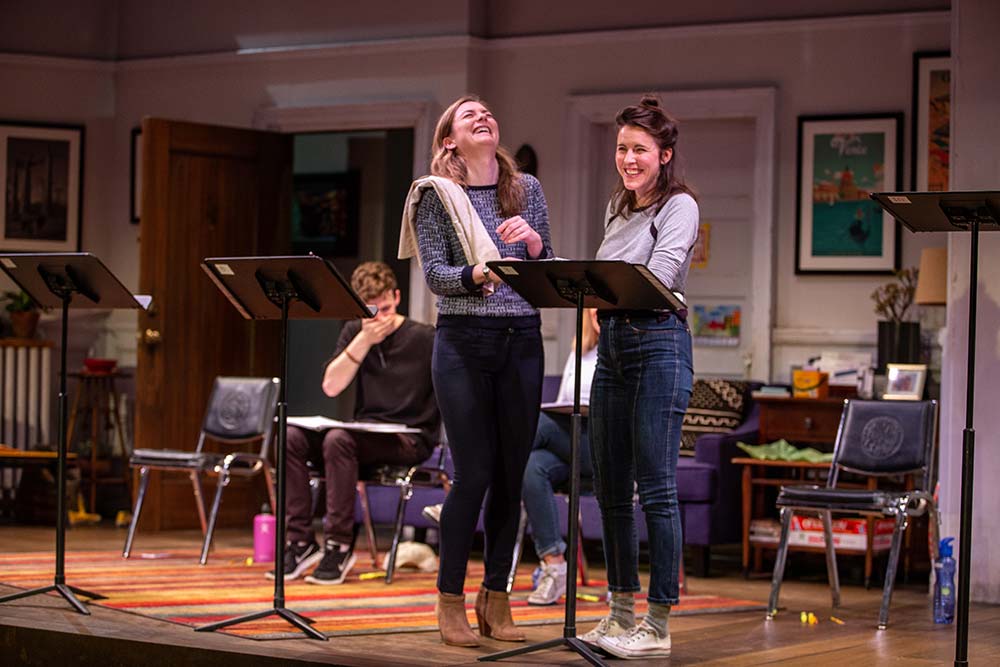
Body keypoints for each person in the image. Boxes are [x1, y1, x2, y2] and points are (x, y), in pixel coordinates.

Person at [399, 94, 552, 647]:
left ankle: (498, 598)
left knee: (513, 475)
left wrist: (532, 244)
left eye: (487, 111)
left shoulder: (526, 189)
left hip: (522, 340)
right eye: (470, 116)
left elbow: (545, 268)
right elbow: (436, 275)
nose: (483, 117)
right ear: (449, 141)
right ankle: (449, 600)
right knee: (474, 474)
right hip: (463, 342)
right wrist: (478, 273)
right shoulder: (436, 195)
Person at [581, 95, 698, 660]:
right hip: (614, 348)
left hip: (658, 344)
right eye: (622, 149)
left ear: (664, 154)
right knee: (609, 489)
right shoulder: (618, 208)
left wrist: (603, 286)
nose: (628, 159)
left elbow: (658, 276)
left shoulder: (679, 206)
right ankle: (620, 611)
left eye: (640, 150)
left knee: (656, 488)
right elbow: (608, 277)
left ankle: (658, 622)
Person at [273, 261, 440, 586]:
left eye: (386, 308)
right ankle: (301, 542)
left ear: (397, 296)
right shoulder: (355, 332)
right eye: (370, 311)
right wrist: (363, 341)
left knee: (338, 439)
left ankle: (339, 545)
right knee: (290, 436)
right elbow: (331, 386)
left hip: (410, 438)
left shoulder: (425, 338)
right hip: (362, 435)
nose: (379, 319)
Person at [522, 308, 599, 606]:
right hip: (569, 446)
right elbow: (565, 400)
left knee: (533, 423)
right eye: (593, 306)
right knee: (530, 466)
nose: (597, 312)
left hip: (602, 450)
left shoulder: (626, 349)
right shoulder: (581, 349)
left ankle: (469, 492)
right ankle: (554, 564)